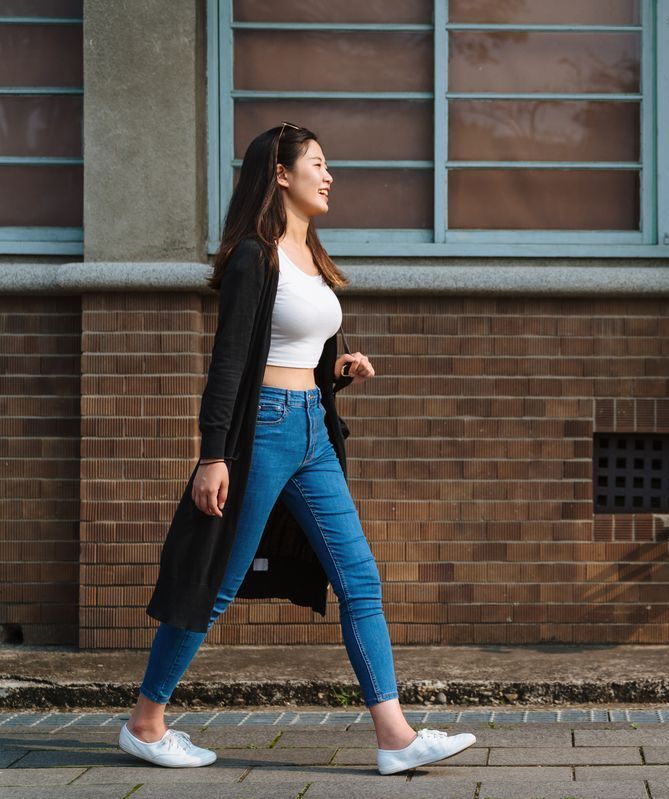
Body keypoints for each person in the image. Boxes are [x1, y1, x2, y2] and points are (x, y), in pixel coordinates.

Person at [117, 122, 475, 776]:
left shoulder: (311, 251)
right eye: (317, 163)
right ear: (280, 174)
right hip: (265, 432)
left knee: (359, 576)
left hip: (311, 429)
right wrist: (213, 453)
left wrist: (337, 371)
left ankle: (393, 736)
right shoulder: (257, 257)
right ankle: (146, 720)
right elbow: (230, 364)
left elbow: (296, 355)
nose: (329, 174)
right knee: (218, 582)